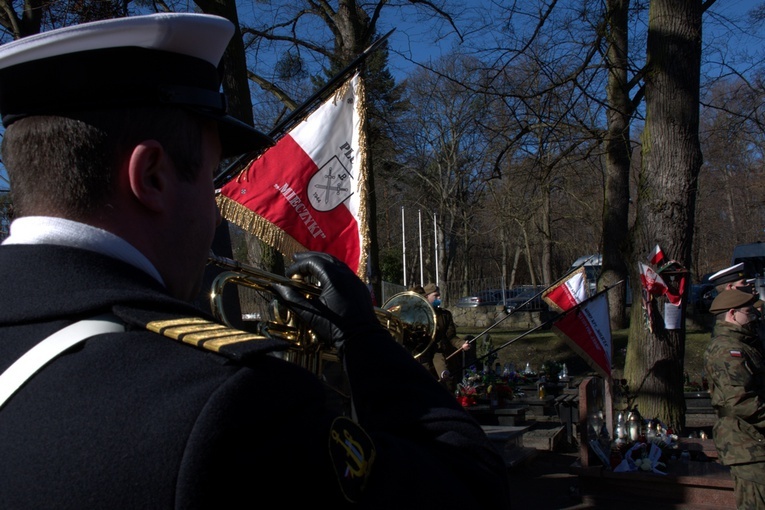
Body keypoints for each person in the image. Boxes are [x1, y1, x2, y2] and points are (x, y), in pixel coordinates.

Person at [0, 14, 511, 509]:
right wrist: (366, 340)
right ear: (152, 177)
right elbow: (472, 488)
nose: (216, 203)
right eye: (210, 181)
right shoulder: (237, 404)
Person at [703, 289, 765, 509]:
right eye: (749, 312)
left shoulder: (746, 344)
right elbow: (740, 400)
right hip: (747, 444)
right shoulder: (727, 349)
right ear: (732, 314)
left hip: (754, 441)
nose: (755, 316)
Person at [422, 283, 471, 389]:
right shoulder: (418, 315)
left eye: (439, 295)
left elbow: (451, 337)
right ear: (426, 297)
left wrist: (461, 344)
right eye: (435, 295)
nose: (439, 298)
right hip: (424, 360)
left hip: (443, 358)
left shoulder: (445, 315)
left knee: (448, 387)